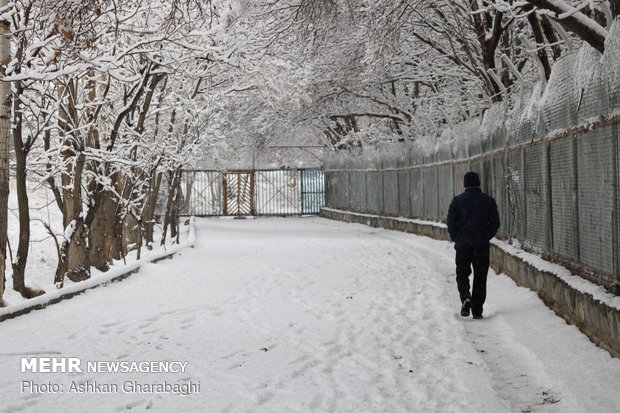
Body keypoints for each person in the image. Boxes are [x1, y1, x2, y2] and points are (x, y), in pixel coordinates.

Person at [447, 172, 500, 319]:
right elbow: (495, 223)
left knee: (462, 274)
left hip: (463, 245)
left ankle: (465, 297)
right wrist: (485, 235)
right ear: (478, 183)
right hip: (481, 246)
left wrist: (456, 237)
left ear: (465, 184)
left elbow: (451, 224)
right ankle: (477, 309)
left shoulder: (457, 202)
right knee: (480, 276)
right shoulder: (488, 201)